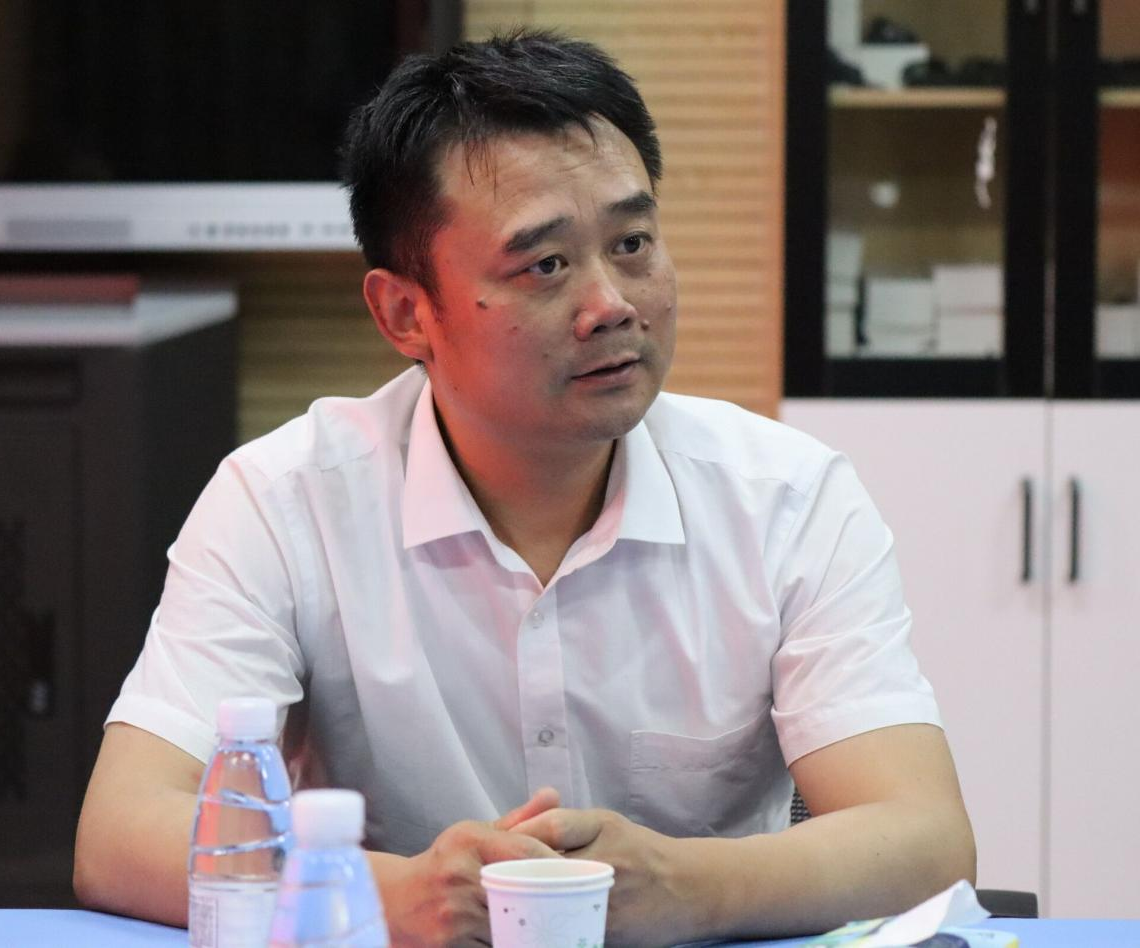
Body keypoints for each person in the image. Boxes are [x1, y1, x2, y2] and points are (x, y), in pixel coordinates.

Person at [74, 30, 975, 945]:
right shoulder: (284, 500)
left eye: (631, 243)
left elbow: (924, 838)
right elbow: (121, 833)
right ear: (404, 313)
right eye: (544, 265)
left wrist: (683, 887)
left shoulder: (787, 498)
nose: (611, 304)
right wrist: (397, 896)